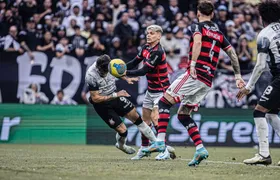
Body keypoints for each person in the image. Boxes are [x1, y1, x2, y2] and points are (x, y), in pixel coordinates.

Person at [142, 1, 245, 166]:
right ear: (212, 14)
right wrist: (238, 76)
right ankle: (200, 149)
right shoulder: (219, 33)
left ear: (198, 13)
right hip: (207, 80)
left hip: (195, 75)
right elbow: (232, 53)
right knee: (183, 115)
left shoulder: (197, 27)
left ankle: (160, 142)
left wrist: (192, 65)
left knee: (163, 102)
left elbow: (197, 42)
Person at [85, 54, 157, 155]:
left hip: (115, 96)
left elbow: (118, 72)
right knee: (123, 131)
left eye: (105, 71)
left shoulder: (113, 65)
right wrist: (116, 94)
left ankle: (156, 143)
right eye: (101, 70)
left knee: (137, 118)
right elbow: (95, 98)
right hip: (102, 104)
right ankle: (121, 145)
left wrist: (126, 78)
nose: (102, 72)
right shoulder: (91, 75)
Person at [237, 0, 280, 166]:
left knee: (258, 111)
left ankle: (264, 155)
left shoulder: (264, 34)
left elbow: (261, 65)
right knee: (270, 113)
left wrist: (248, 87)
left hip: (279, 76)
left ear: (262, 16)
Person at [123, 25, 176, 160]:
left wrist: (125, 72)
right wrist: (120, 67)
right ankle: (144, 148)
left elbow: (144, 70)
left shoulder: (158, 52)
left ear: (159, 36)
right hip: (150, 90)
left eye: (152, 33)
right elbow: (135, 62)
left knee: (155, 117)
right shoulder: (145, 48)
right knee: (145, 121)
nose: (148, 35)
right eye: (147, 33)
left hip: (162, 90)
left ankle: (163, 150)